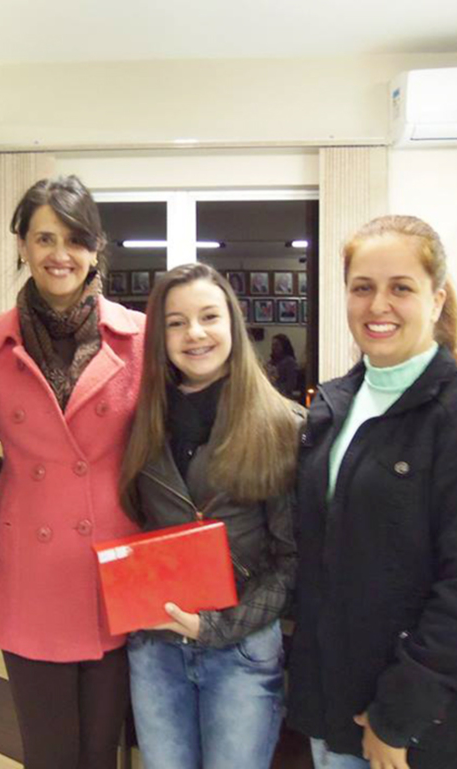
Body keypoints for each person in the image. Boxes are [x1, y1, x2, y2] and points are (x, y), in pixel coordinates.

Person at [286, 215, 457, 769]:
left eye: (401, 288)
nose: (378, 306)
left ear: (436, 299)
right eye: (362, 288)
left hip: (420, 730)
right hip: (334, 711)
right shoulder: (332, 408)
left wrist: (398, 716)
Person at [0, 175, 145, 769]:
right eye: (44, 238)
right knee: (47, 753)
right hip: (32, 571)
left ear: (96, 248)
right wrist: (15, 493)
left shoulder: (139, 339)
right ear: (22, 245)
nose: (59, 254)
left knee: (102, 752)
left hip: (114, 570)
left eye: (75, 239)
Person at [118, 262, 302, 769]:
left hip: (241, 649)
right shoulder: (140, 423)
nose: (194, 333)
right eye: (176, 323)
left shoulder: (280, 424)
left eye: (209, 317)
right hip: (156, 646)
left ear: (232, 324)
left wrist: (216, 628)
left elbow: (292, 563)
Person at [267, 332, 300, 397]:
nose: (274, 347)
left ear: (284, 346)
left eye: (277, 345)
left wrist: (276, 388)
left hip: (283, 396)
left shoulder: (290, 362)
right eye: (273, 345)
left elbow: (291, 384)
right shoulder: (270, 362)